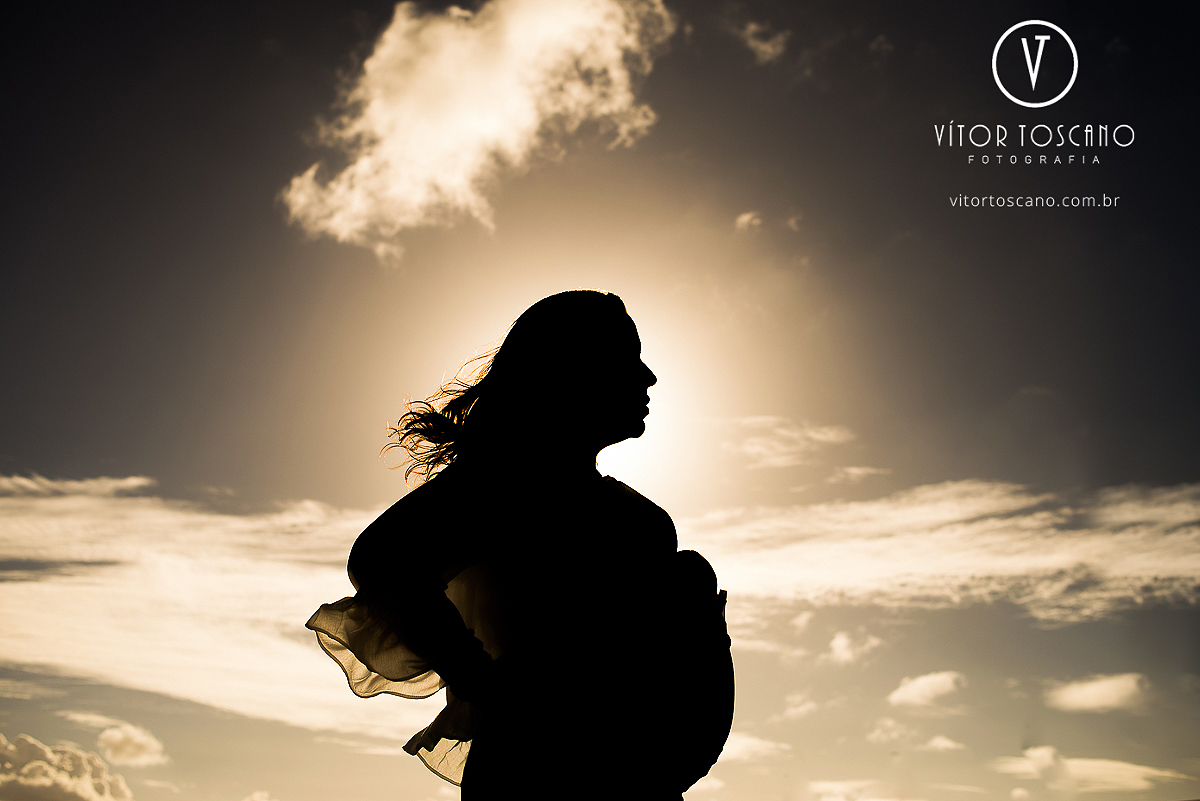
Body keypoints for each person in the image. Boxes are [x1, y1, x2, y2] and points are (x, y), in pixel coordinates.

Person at [307, 290, 733, 799]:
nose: (648, 377)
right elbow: (382, 558)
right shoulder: (508, 483)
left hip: (632, 782)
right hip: (541, 775)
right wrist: (483, 682)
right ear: (572, 370)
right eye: (628, 358)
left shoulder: (617, 507)